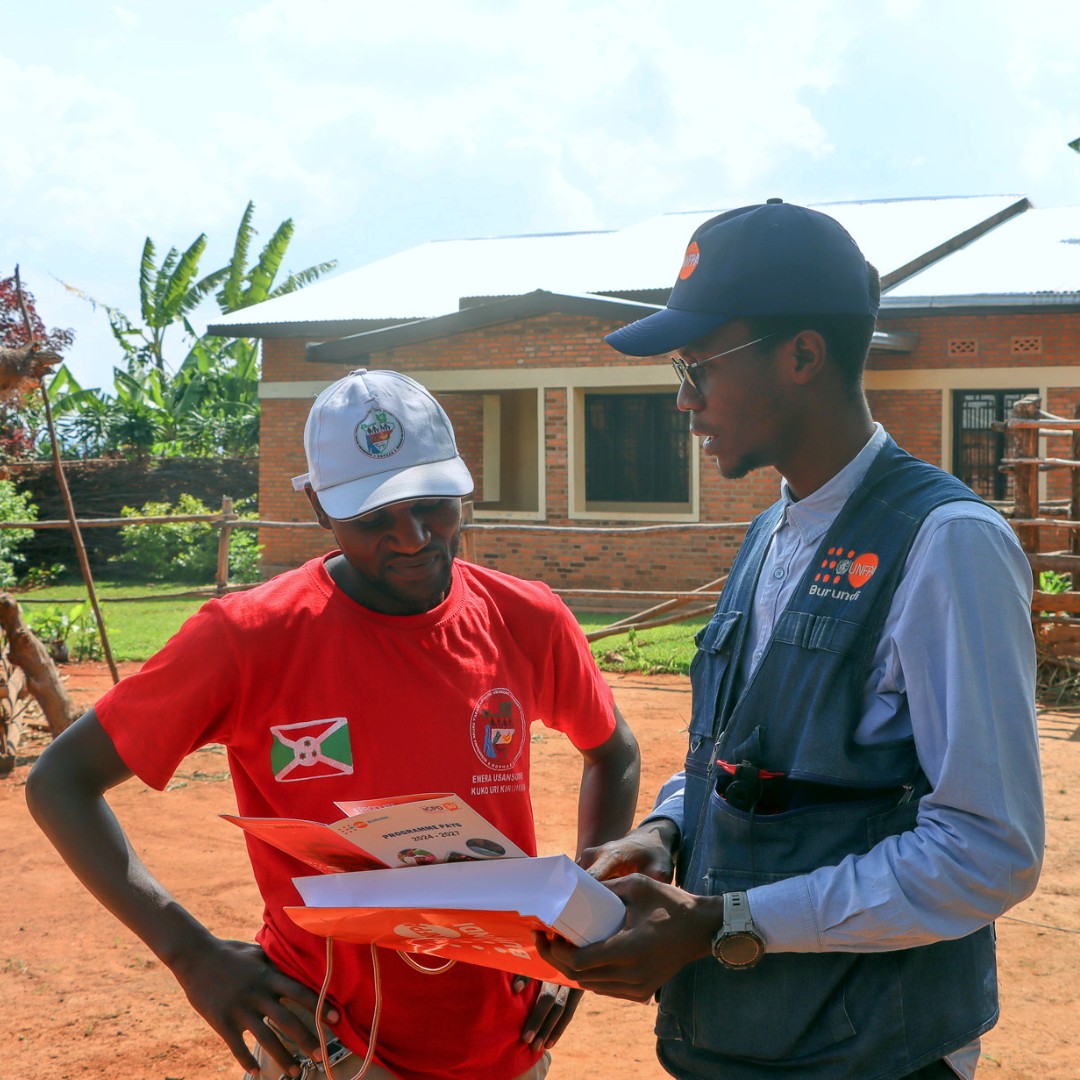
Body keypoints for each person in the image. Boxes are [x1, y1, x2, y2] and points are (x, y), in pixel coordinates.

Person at [537, 200, 1044, 1080]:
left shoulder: (946, 545)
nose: (686, 400)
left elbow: (987, 851)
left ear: (803, 354)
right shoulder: (772, 530)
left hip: (874, 1051)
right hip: (746, 1040)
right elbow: (747, 753)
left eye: (698, 366)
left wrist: (727, 922)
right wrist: (666, 828)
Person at [26, 368, 641, 1080]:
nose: (413, 538)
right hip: (331, 1043)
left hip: (504, 1038)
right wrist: (193, 956)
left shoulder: (526, 619)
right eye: (374, 518)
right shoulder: (249, 638)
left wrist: (583, 922)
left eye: (433, 505)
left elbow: (614, 752)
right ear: (320, 508)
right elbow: (60, 782)